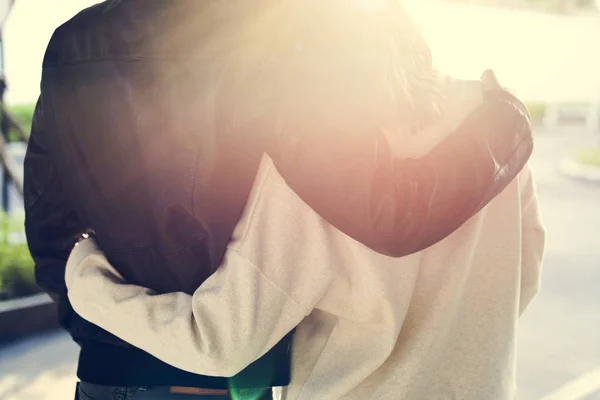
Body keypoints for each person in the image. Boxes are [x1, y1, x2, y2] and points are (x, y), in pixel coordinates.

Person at [25, 1, 534, 399]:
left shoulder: (319, 162)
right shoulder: (488, 112)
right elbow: (521, 280)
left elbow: (223, 340)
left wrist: (85, 288)